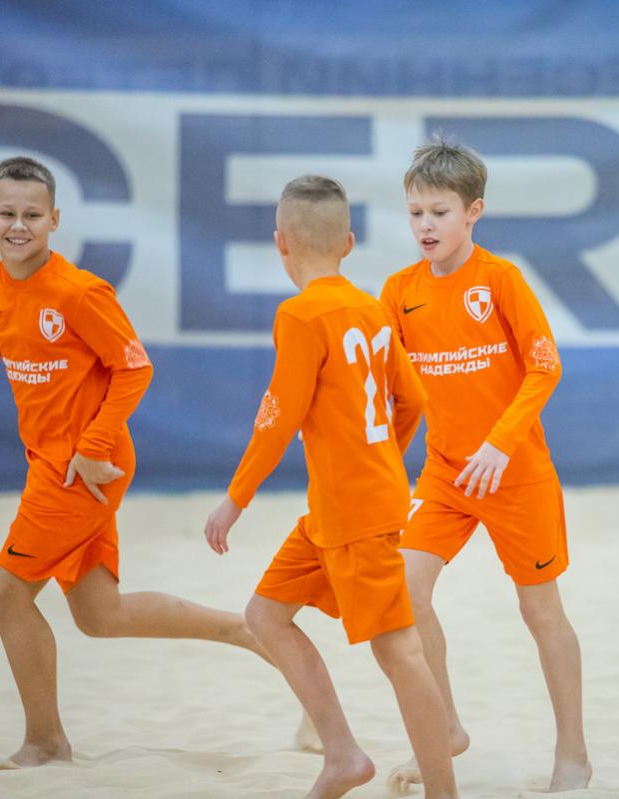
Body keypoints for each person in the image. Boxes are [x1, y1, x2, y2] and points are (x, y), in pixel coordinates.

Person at [0, 156, 322, 766]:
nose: (18, 225)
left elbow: (135, 368)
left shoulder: (78, 292)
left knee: (5, 595)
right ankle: (249, 631)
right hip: (54, 466)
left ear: (54, 220)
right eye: (6, 213)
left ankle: (45, 742)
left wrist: (92, 447)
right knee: (100, 614)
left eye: (32, 215)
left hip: (84, 469)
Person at [203, 175, 456, 799]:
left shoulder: (298, 314)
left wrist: (235, 499)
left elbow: (277, 418)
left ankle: (444, 793)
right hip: (336, 508)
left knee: (399, 652)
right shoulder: (371, 308)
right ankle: (342, 755)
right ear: (348, 243)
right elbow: (413, 399)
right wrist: (383, 456)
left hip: (355, 511)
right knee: (266, 615)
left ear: (280, 243)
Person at [379, 137, 591, 793]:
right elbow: (390, 390)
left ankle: (573, 755)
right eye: (415, 213)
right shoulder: (398, 291)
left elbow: (545, 366)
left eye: (438, 212)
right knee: (404, 593)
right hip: (445, 475)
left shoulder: (500, 280)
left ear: (473, 211)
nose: (425, 226)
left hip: (515, 472)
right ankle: (445, 728)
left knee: (540, 611)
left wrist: (500, 442)